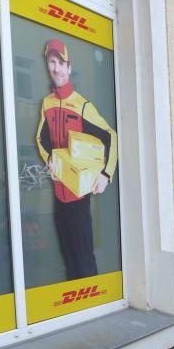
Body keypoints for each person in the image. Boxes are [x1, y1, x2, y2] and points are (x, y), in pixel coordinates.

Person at [35, 39, 117, 280]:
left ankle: (92, 298)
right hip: (57, 197)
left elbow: (110, 136)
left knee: (84, 259)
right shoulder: (46, 104)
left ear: (69, 67)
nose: (56, 68)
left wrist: (106, 174)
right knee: (68, 258)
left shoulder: (83, 106)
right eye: (52, 62)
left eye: (61, 63)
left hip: (79, 198)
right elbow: (41, 139)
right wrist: (50, 159)